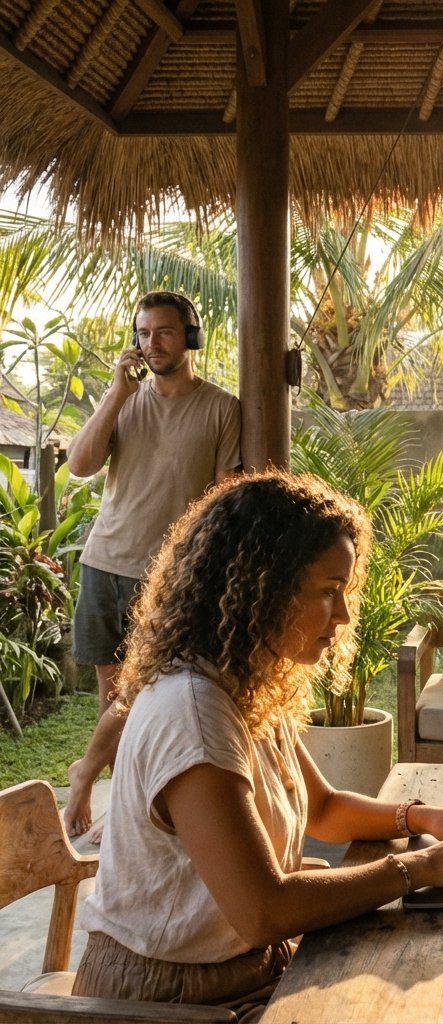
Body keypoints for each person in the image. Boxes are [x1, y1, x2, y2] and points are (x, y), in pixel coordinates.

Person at [71, 470, 443, 1017]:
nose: (342, 616)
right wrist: (423, 869)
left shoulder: (241, 683)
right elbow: (264, 909)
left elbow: (324, 809)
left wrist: (425, 818)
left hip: (243, 969)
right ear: (261, 586)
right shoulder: (193, 713)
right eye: (329, 592)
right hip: (172, 999)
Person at [63, 291, 242, 840]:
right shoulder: (124, 401)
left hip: (168, 576)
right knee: (112, 692)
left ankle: (88, 773)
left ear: (191, 337)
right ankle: (122, 808)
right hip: (104, 562)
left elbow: (224, 497)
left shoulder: (220, 408)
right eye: (142, 333)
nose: (150, 344)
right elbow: (79, 466)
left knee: (142, 694)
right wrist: (116, 393)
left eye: (163, 332)